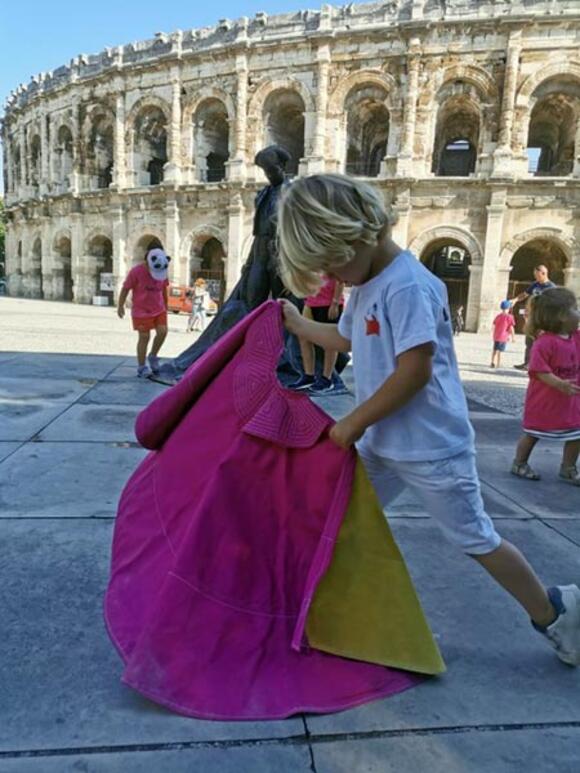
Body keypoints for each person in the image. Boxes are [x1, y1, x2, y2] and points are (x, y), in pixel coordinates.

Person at [276, 173, 580, 666]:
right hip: (384, 444)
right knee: (336, 519)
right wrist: (296, 322)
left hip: (432, 449)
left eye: (334, 262)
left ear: (359, 232)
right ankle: (333, 611)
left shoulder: (410, 286)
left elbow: (413, 372)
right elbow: (348, 339)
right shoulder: (366, 283)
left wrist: (351, 423)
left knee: (476, 538)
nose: (334, 277)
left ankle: (554, 614)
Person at [511, 288, 580, 485]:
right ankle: (519, 462)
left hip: (571, 400)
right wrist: (558, 383)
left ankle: (568, 468)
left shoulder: (576, 337)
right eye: (575, 308)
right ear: (561, 316)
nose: (579, 312)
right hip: (546, 400)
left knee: (577, 433)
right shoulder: (545, 343)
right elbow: (538, 370)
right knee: (533, 433)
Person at [117, 248, 170, 378]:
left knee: (163, 331)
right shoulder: (136, 272)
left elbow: (164, 288)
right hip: (141, 311)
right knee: (144, 337)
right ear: (147, 262)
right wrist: (120, 305)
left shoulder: (162, 268)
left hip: (159, 308)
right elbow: (125, 288)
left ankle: (153, 356)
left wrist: (166, 304)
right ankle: (142, 366)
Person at [290, 277, 345, 394]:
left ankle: (327, 379)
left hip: (329, 302)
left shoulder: (332, 258)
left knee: (329, 342)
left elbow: (339, 277)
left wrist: (335, 302)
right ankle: (308, 376)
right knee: (303, 336)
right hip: (311, 301)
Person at [511, 264, 556, 370]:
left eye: (537, 275)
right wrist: (515, 300)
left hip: (542, 320)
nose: (535, 277)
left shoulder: (551, 288)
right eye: (535, 275)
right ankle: (527, 363)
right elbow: (525, 294)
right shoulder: (535, 284)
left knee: (541, 343)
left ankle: (542, 365)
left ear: (544, 273)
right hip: (532, 319)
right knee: (529, 341)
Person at [490, 300, 516, 368]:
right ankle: (498, 364)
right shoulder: (510, 317)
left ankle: (492, 362)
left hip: (496, 336)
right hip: (503, 337)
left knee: (495, 350)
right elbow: (511, 328)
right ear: (509, 308)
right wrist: (513, 337)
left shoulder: (498, 316)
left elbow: (494, 325)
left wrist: (492, 333)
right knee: (500, 351)